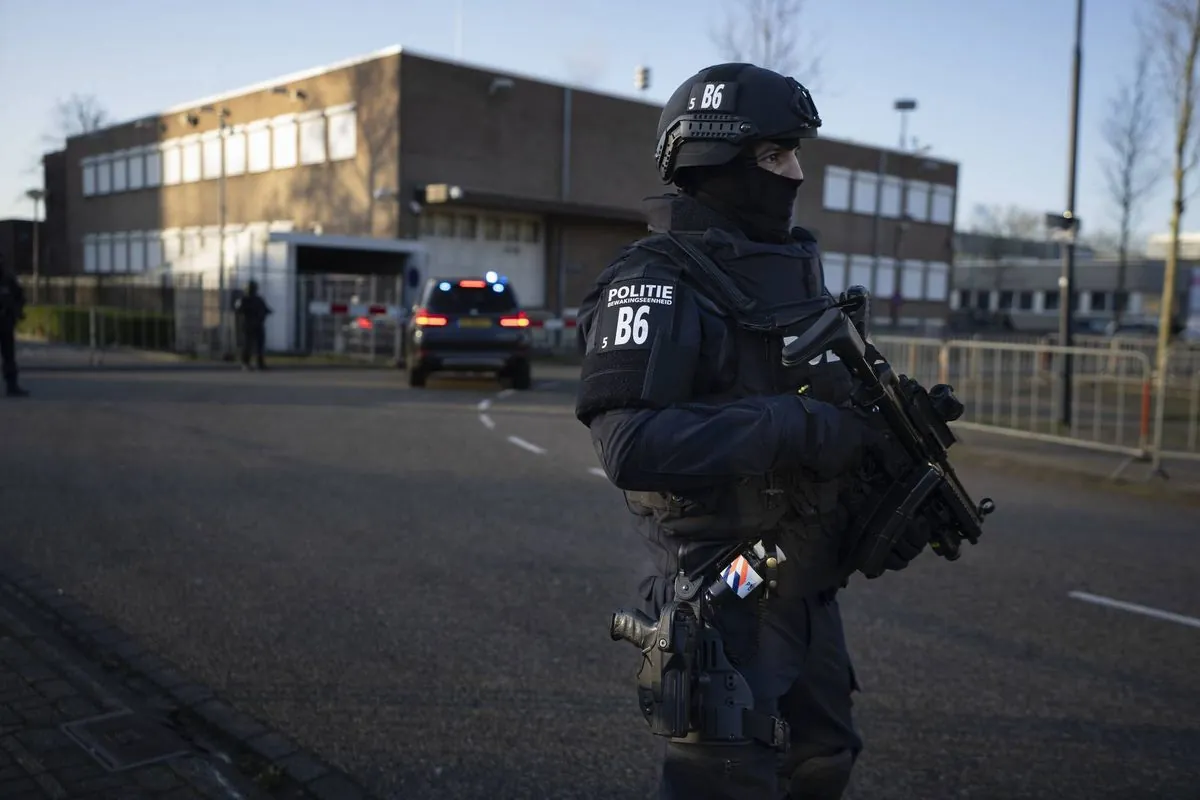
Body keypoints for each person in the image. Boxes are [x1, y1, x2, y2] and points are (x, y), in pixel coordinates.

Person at [574, 63, 932, 799]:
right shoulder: (655, 281)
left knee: (824, 759)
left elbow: (813, 400)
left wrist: (886, 449)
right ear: (714, 158)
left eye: (795, 152)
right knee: (724, 780)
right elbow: (631, 446)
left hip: (801, 579)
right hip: (720, 587)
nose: (795, 173)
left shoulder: (790, 269)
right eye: (774, 155)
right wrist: (798, 424)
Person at [0, 254, 29, 398]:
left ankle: (12, 385)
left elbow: (20, 296)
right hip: (5, 322)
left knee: (9, 356)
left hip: (6, 323)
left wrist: (17, 311)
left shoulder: (8, 279)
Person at [234, 280, 272, 370]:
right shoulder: (243, 299)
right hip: (248, 325)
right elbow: (238, 310)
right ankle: (245, 363)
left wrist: (265, 313)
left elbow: (266, 309)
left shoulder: (258, 299)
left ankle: (260, 363)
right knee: (248, 345)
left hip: (258, 325)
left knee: (260, 345)